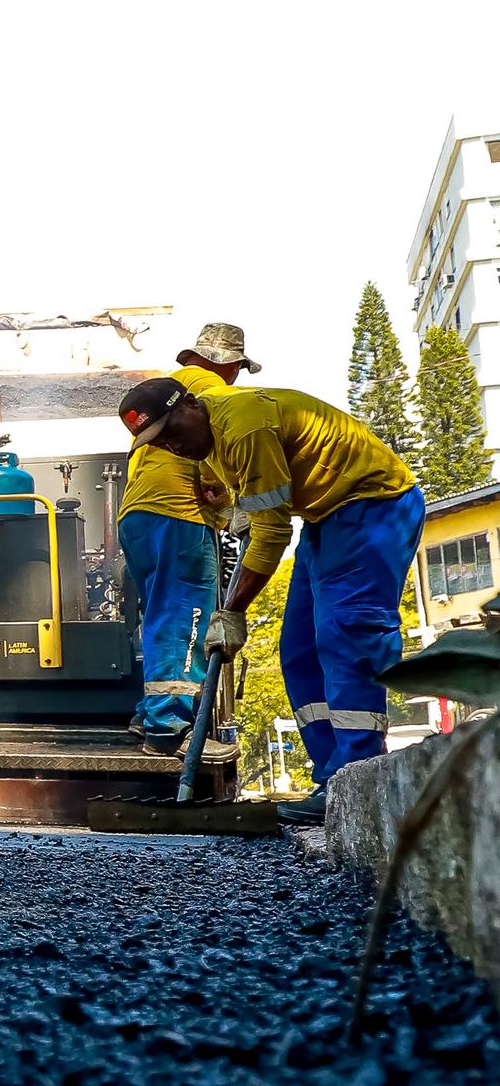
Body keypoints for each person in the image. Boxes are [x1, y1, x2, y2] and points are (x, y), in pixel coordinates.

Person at [118, 373, 422, 825]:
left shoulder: (244, 426)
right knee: (299, 651)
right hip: (325, 516)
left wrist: (232, 612)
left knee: (348, 634)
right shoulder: (208, 436)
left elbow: (274, 533)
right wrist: (232, 499)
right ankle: (334, 780)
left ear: (190, 406)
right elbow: (251, 495)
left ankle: (362, 780)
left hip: (372, 506)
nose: (171, 448)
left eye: (170, 433)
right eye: (157, 444)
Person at [115, 349, 241, 752]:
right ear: (226, 363)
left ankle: (148, 713)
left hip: (136, 517)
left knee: (159, 617)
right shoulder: (210, 392)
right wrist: (229, 508)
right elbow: (210, 459)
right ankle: (168, 726)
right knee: (185, 619)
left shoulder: (156, 394)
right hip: (179, 515)